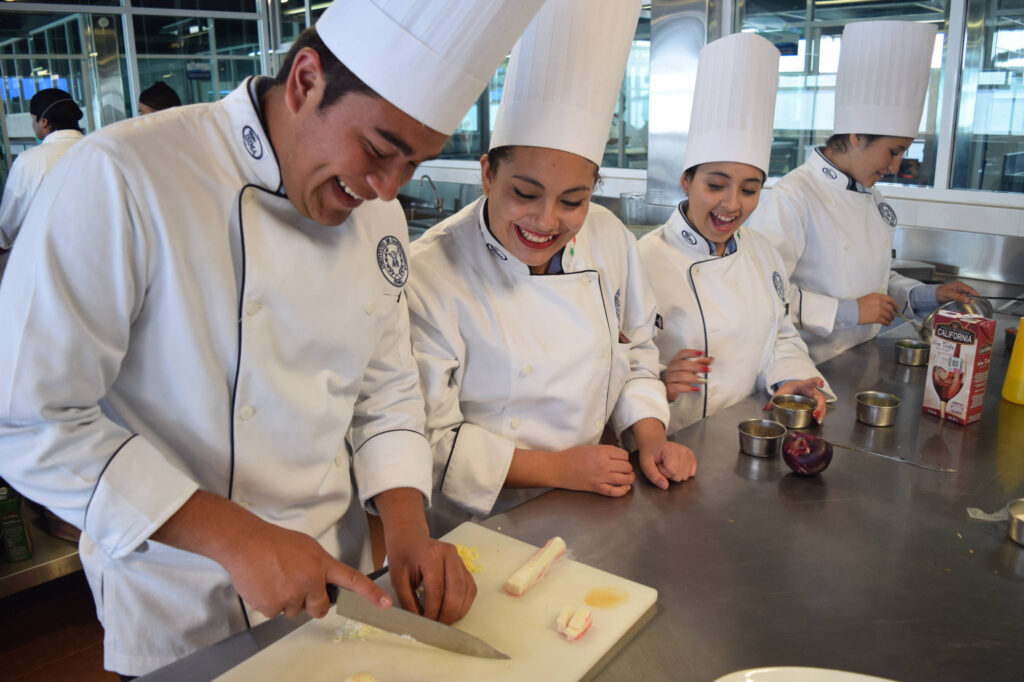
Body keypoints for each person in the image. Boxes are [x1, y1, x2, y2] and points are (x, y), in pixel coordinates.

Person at [0, 0, 543, 676]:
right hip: (177, 592)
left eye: (413, 165)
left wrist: (407, 529)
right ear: (305, 78)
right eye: (378, 151)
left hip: (332, 587)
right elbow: (28, 419)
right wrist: (236, 537)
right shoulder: (123, 176)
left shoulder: (378, 218)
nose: (385, 190)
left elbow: (386, 388)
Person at [406, 0, 696, 533]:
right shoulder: (431, 272)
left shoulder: (608, 237)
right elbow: (424, 439)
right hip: (477, 523)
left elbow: (634, 354)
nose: (547, 221)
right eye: (525, 193)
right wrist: (559, 468)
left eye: (573, 200)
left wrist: (651, 436)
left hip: (593, 500)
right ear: (487, 173)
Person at [749, 21, 978, 363]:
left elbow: (876, 282)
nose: (897, 166)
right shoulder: (793, 196)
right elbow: (761, 291)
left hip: (857, 359)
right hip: (801, 366)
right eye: (894, 150)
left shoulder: (874, 199)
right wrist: (846, 311)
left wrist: (930, 296)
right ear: (856, 135)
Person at [638, 33, 833, 434]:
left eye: (749, 189)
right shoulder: (642, 260)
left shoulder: (762, 253)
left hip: (749, 432)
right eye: (715, 185)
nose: (732, 205)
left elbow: (778, 335)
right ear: (686, 180)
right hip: (671, 441)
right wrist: (657, 379)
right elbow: (615, 361)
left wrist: (789, 379)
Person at [0, 88, 84, 278]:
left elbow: (8, 228)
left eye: (33, 118)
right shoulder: (101, 149)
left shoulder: (31, 161)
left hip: (51, 268)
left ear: (43, 122)